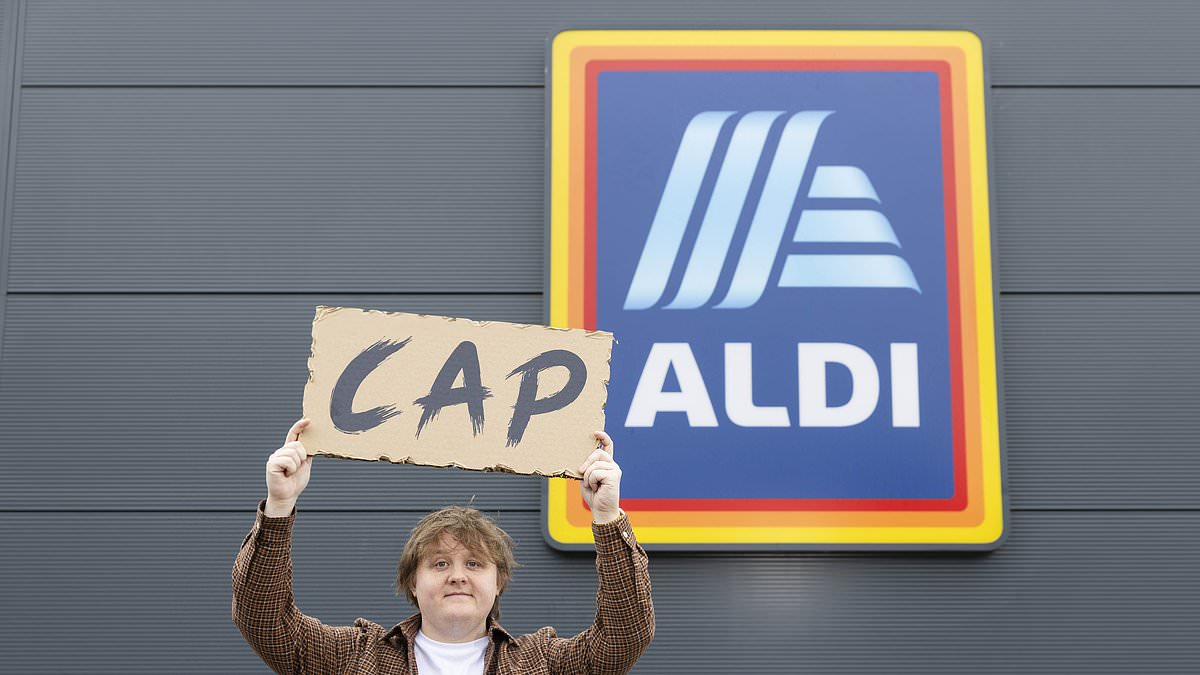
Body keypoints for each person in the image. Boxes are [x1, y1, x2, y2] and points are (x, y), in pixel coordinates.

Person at [232, 418, 654, 674]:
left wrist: (605, 515)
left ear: (498, 582)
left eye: (474, 563)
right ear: (412, 583)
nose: (457, 575)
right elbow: (264, 621)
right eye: (438, 564)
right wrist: (280, 505)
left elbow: (625, 635)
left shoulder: (543, 663)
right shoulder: (354, 658)